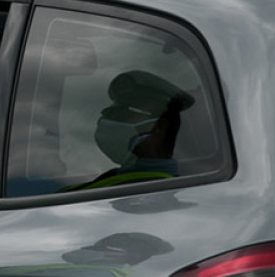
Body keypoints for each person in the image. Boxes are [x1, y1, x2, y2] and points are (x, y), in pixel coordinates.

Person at [63, 69, 195, 191]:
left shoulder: (156, 191)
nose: (109, 121)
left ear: (159, 127)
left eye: (124, 113)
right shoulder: (112, 180)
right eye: (110, 113)